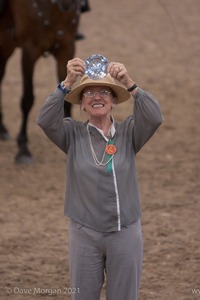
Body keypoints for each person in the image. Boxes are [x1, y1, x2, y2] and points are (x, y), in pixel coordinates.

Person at [37, 56, 163, 300]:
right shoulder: (71, 133)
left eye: (104, 91)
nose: (97, 97)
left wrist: (129, 82)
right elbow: (44, 120)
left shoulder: (129, 132)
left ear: (114, 100)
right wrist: (66, 83)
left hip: (125, 232)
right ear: (81, 105)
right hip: (84, 233)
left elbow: (155, 117)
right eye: (88, 93)